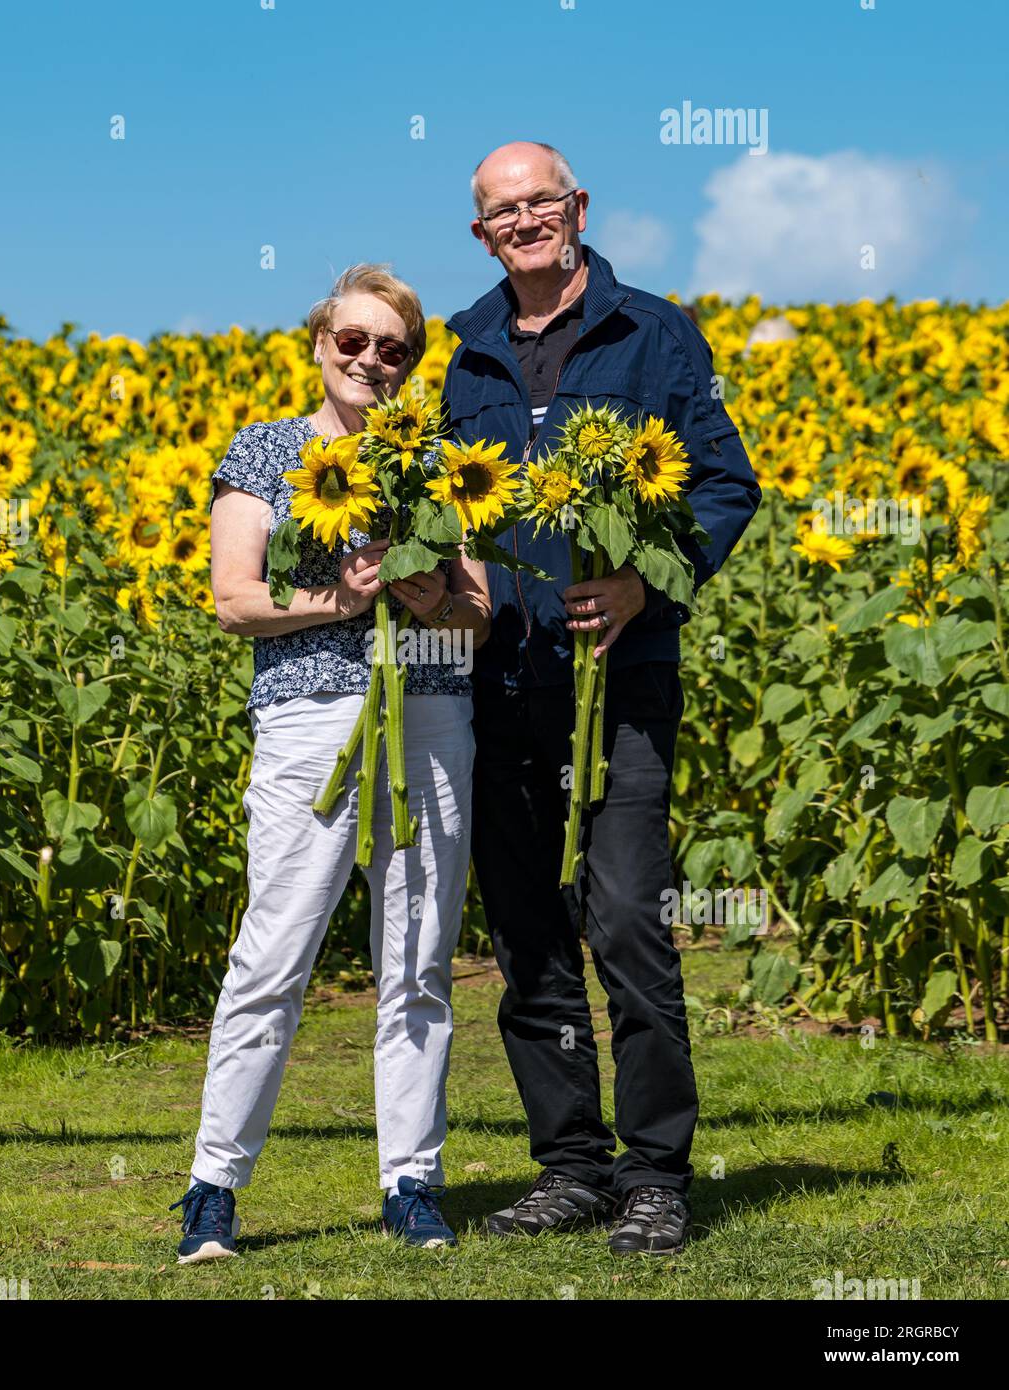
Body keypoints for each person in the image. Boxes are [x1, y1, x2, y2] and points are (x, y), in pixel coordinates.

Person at [443, 142, 760, 1254]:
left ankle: (656, 1174)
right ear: (481, 233)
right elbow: (451, 512)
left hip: (618, 684)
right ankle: (570, 1164)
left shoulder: (653, 333)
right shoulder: (466, 353)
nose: (525, 221)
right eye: (502, 211)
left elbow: (723, 482)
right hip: (503, 681)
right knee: (527, 935)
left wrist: (641, 582)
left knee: (626, 919)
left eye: (541, 201)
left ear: (576, 206)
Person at [171, 264, 491, 1259]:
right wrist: (342, 602)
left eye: (391, 348)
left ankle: (412, 1182)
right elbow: (233, 600)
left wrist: (429, 597)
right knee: (275, 955)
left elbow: (477, 610)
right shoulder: (265, 451)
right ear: (319, 345)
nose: (369, 360)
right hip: (310, 721)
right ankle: (213, 1187)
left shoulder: (434, 460)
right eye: (352, 340)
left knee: (419, 962)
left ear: (410, 365)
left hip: (429, 714)